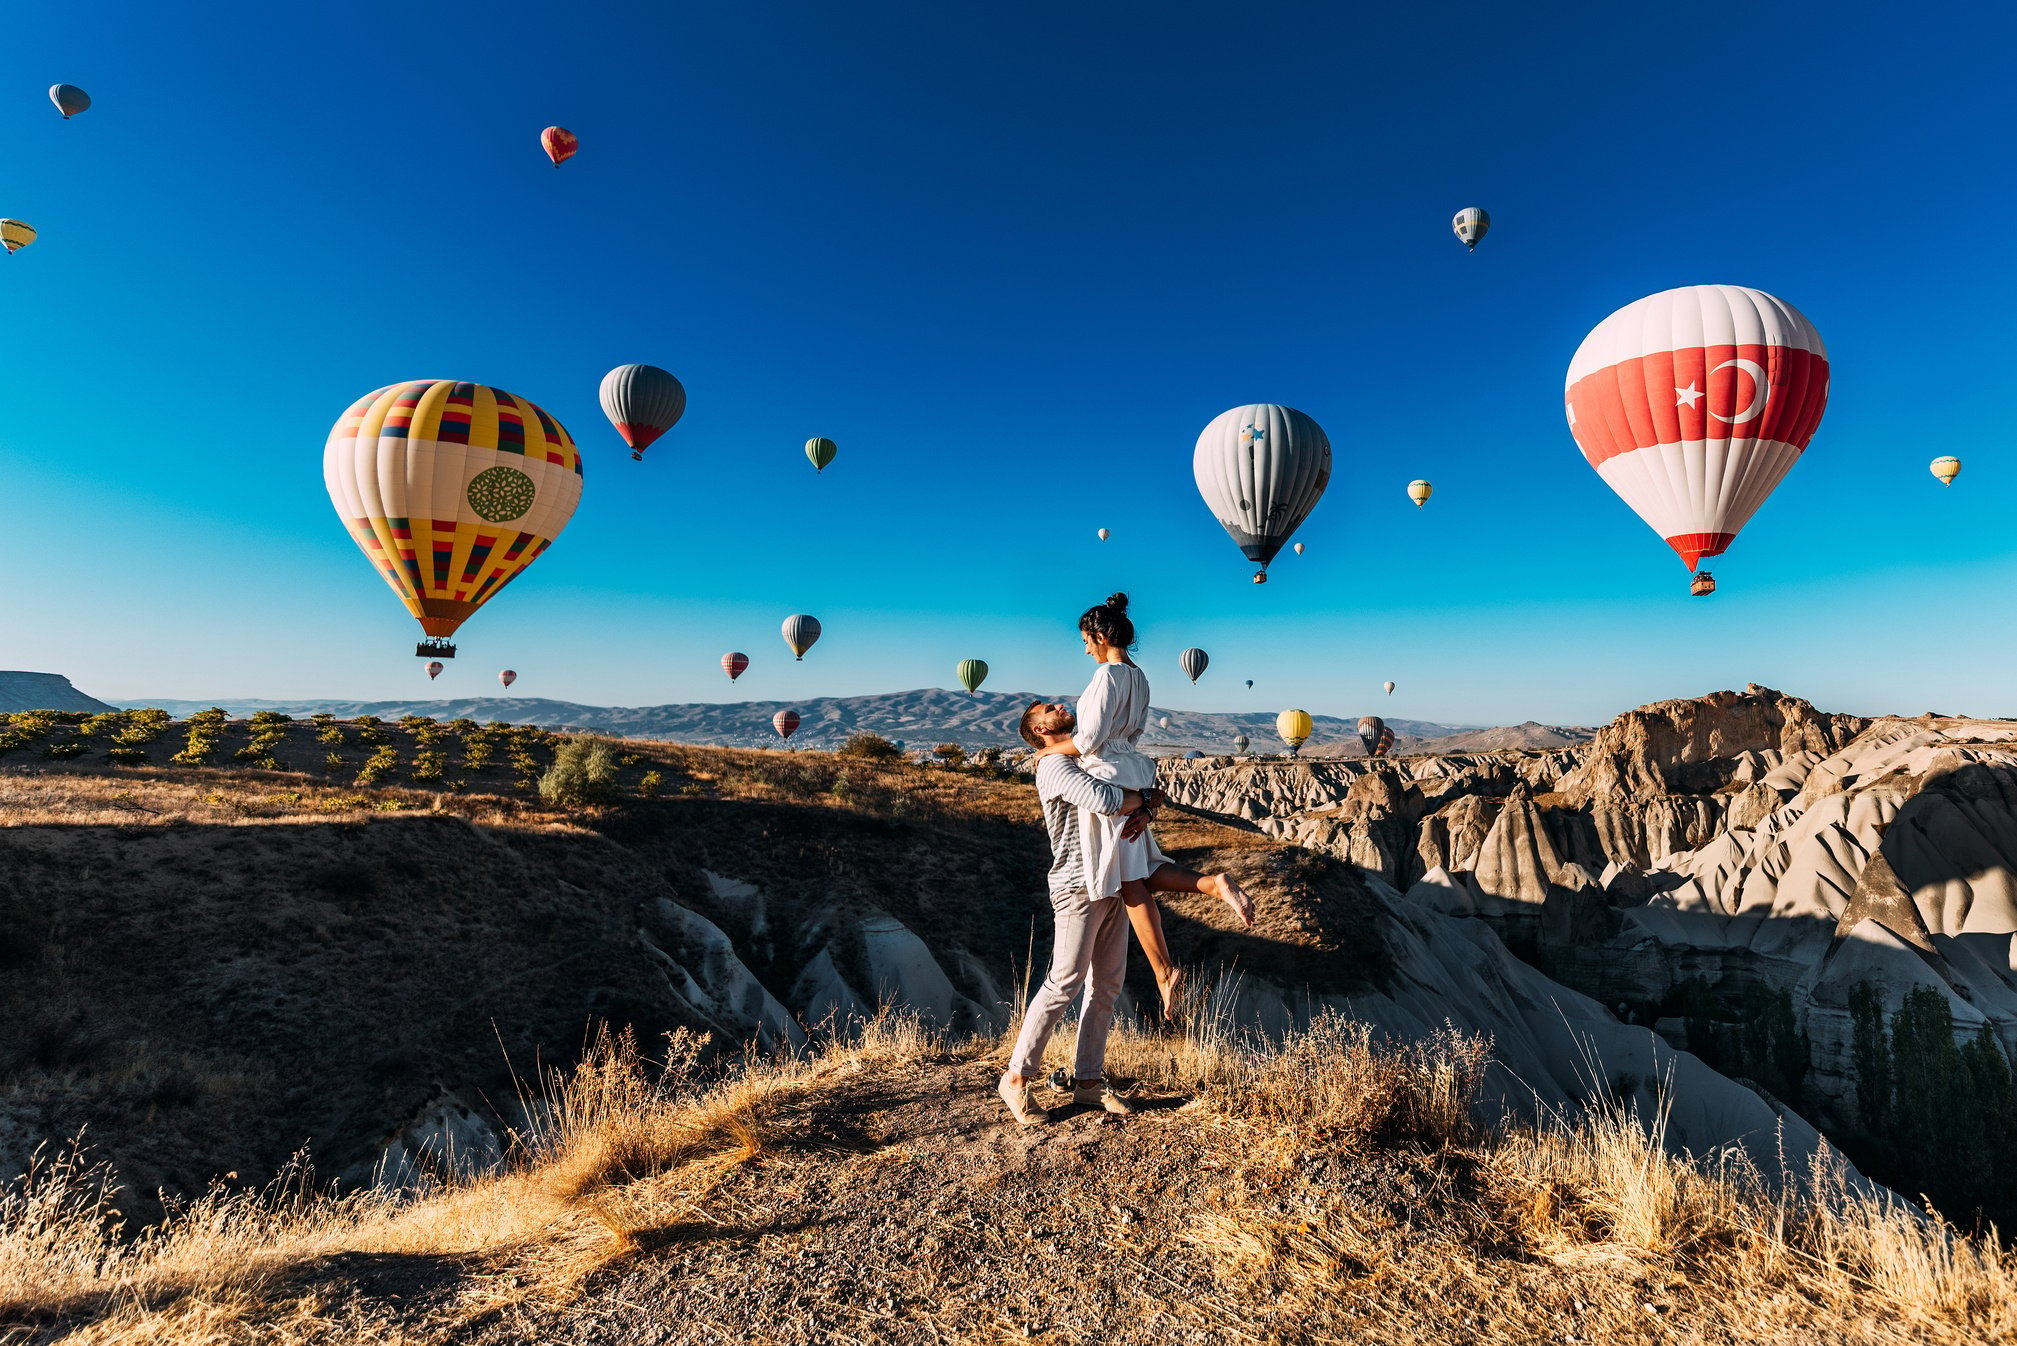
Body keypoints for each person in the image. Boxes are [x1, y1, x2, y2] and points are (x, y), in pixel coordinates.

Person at [999, 699, 1252, 1126]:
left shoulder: (1091, 756)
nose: (1059, 704)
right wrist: (1145, 800)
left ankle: (1088, 1083)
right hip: (1078, 887)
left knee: (1108, 985)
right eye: (1047, 708)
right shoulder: (1053, 767)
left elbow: (1135, 786)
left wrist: (1150, 804)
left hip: (1113, 882)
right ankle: (1017, 1078)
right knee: (1064, 982)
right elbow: (1102, 799)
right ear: (1039, 730)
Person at [1029, 594, 1252, 1019]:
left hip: (1108, 774)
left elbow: (1091, 739)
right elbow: (1132, 733)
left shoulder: (1105, 677)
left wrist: (1049, 751)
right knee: (1138, 874)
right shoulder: (1139, 676)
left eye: (1085, 640)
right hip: (1134, 768)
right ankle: (1210, 886)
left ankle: (1165, 972)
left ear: (1099, 636)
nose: (1085, 648)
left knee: (1131, 881)